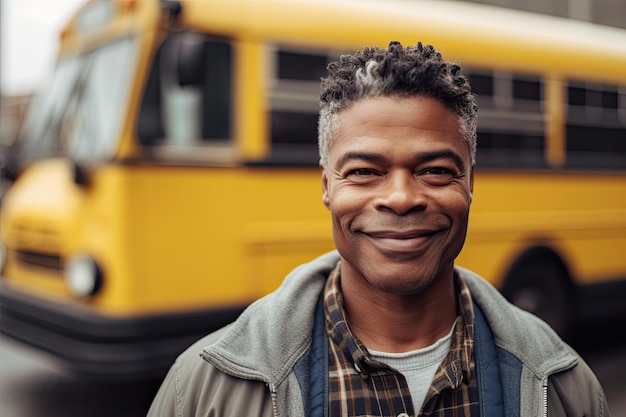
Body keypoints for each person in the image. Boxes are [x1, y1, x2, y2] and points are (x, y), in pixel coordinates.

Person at [147, 41, 608, 417]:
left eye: (435, 170)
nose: (402, 197)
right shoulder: (202, 390)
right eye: (365, 171)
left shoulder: (563, 384)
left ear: (470, 183)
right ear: (327, 186)